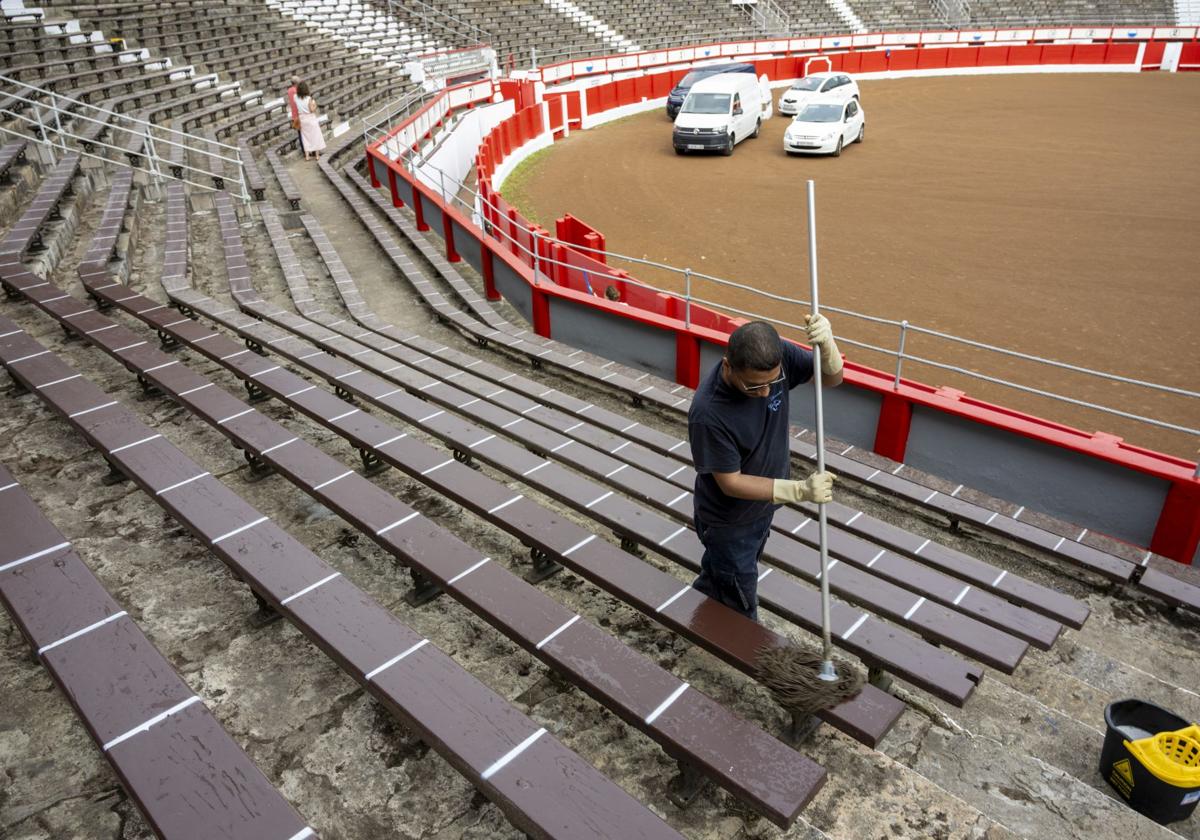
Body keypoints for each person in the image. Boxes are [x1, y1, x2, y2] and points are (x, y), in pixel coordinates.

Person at [687, 316, 843, 620]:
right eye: (754, 387)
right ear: (728, 366)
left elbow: (831, 379)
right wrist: (799, 490)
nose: (766, 393)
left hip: (763, 508)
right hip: (729, 522)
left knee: (724, 578)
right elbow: (730, 483)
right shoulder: (709, 412)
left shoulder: (776, 357)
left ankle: (696, 610)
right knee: (741, 601)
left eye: (774, 383)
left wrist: (827, 346)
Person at [295, 81, 326, 160]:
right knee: (315, 136)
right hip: (310, 118)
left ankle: (307, 156)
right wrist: (315, 105)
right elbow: (312, 110)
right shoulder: (308, 98)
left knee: (305, 137)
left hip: (302, 119)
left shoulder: (295, 97)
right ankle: (317, 155)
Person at [286, 75, 303, 155]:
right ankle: (306, 150)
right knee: (304, 133)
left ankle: (304, 150)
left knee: (300, 133)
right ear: (296, 83)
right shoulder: (297, 90)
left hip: (294, 115)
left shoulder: (289, 90)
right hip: (300, 114)